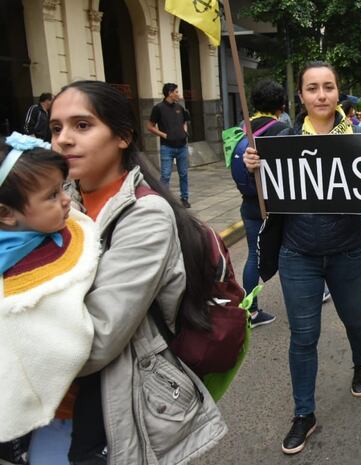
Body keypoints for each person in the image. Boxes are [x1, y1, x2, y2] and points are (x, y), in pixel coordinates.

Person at [36, 80, 227, 464]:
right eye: (56, 128)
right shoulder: (61, 206)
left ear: (123, 137)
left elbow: (97, 340)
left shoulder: (146, 216)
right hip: (50, 408)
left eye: (82, 125)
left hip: (115, 409)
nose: (64, 139)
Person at [243, 61, 361, 455]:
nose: (321, 95)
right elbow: (258, 196)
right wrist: (251, 169)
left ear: (338, 92)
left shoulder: (357, 138)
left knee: (354, 318)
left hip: (348, 253)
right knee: (303, 337)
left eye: (328, 87)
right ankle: (303, 414)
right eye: (312, 88)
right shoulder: (282, 139)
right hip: (298, 256)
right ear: (301, 95)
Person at [0, 133, 98, 465]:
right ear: (6, 213)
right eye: (52, 195)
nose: (67, 201)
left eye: (63, 188)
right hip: (55, 416)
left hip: (73, 410)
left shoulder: (67, 230)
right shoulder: (11, 280)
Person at [236, 79, 291, 327]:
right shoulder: (281, 130)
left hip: (249, 202)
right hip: (276, 205)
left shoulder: (243, 127)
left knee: (253, 255)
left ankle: (251, 311)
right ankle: (307, 298)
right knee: (290, 252)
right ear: (281, 105)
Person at [147, 83, 192, 208]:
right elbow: (150, 126)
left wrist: (184, 131)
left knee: (183, 174)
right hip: (167, 147)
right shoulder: (158, 108)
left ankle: (184, 198)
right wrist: (164, 135)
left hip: (182, 146)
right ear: (170, 93)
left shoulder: (179, 107)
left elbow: (184, 121)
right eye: (176, 92)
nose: (178, 94)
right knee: (165, 175)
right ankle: (164, 200)